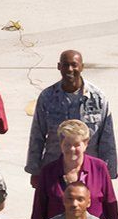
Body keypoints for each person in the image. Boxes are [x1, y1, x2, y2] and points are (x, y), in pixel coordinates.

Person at [26, 50, 109, 184]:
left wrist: (107, 172)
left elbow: (106, 137)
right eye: (65, 65)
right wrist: (34, 170)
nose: (70, 69)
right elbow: (37, 135)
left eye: (74, 65)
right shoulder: (47, 97)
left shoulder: (98, 98)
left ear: (82, 67)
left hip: (88, 171)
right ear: (59, 67)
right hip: (53, 170)